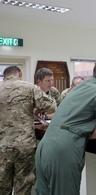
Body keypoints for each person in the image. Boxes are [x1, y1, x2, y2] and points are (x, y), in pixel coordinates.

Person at [35, 60, 96, 195]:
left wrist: (88, 131)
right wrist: (95, 133)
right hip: (63, 151)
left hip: (45, 147)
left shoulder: (79, 88)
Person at [0, 66, 56, 195]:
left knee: (2, 186)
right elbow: (51, 106)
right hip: (24, 145)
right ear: (19, 74)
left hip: (2, 146)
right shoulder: (30, 87)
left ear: (5, 76)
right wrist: (34, 108)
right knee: (23, 186)